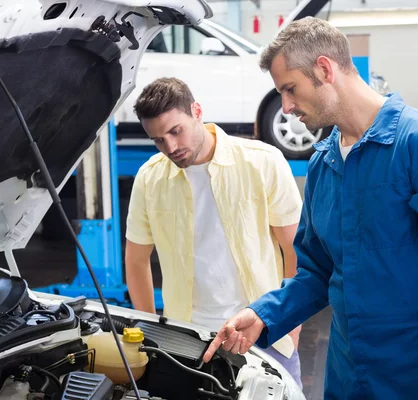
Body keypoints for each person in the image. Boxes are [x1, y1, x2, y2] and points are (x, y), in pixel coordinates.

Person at [203, 16, 418, 400]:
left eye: (290, 89)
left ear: (324, 68)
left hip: (417, 379)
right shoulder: (324, 164)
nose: (285, 108)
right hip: (347, 376)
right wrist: (262, 315)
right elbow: (317, 273)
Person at [124, 77, 304, 387]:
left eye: (175, 131)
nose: (171, 147)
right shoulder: (149, 178)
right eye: (158, 140)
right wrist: (151, 332)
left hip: (264, 331)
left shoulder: (262, 162)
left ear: (196, 111)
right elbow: (137, 259)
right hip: (186, 340)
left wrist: (290, 325)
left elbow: (295, 249)